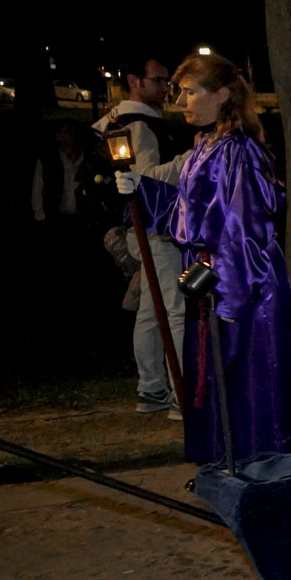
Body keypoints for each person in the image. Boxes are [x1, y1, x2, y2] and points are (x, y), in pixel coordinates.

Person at [118, 54, 291, 464]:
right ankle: (227, 458)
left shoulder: (240, 150)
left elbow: (246, 228)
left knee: (251, 378)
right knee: (219, 379)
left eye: (191, 92)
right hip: (212, 281)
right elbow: (188, 211)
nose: (181, 102)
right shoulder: (204, 146)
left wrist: (226, 291)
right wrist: (141, 189)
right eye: (180, 92)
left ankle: (265, 463)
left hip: (244, 287)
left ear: (222, 94)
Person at [95, 59, 189, 416]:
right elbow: (148, 177)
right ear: (134, 81)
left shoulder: (119, 120)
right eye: (158, 80)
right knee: (176, 310)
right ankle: (181, 394)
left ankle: (151, 389)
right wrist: (190, 159)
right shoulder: (139, 124)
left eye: (167, 81)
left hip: (141, 225)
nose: (165, 88)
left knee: (152, 311)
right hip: (154, 226)